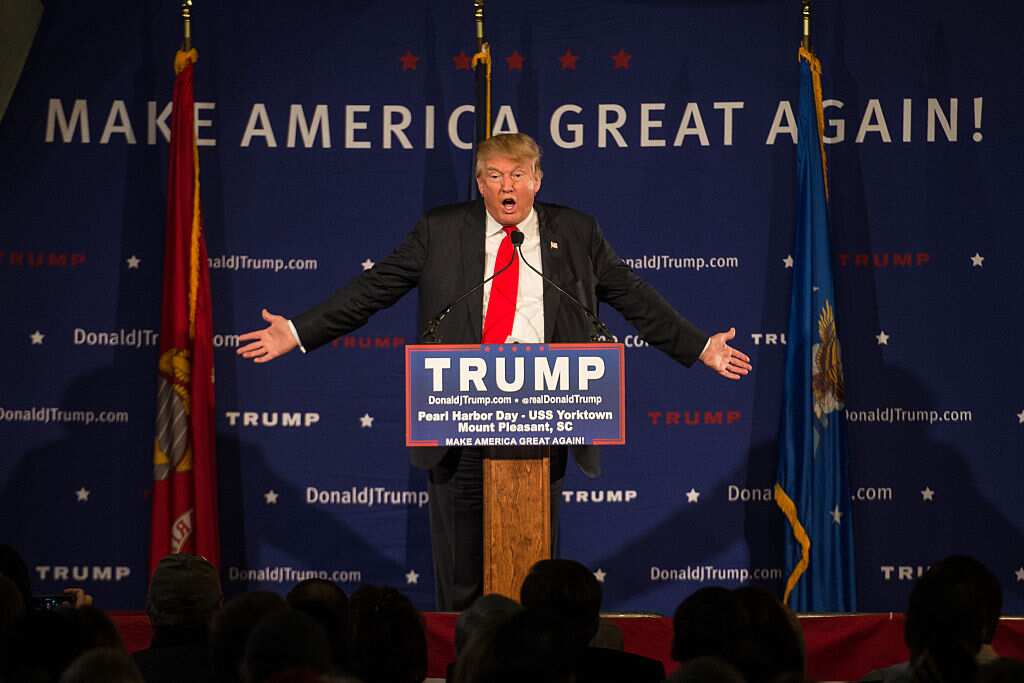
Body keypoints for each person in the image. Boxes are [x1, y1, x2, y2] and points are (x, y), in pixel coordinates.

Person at [237, 132, 752, 610]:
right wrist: (299, 331)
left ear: (537, 180)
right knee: (461, 578)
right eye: (495, 175)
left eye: (519, 174)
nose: (508, 186)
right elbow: (372, 291)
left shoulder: (575, 233)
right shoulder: (439, 232)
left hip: (543, 422)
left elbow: (634, 297)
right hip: (457, 424)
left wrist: (700, 346)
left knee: (533, 574)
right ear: (479, 182)